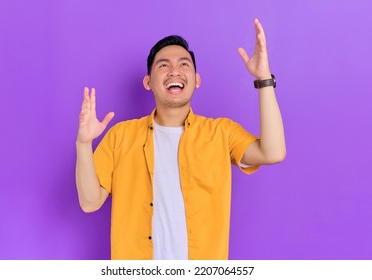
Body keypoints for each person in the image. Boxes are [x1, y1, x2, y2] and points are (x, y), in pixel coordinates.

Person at [75, 18, 286, 260]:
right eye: (163, 65)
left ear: (197, 79)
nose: (174, 70)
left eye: (184, 64)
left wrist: (264, 80)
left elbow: (273, 152)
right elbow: (89, 202)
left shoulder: (221, 133)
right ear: (148, 82)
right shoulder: (120, 136)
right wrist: (83, 143)